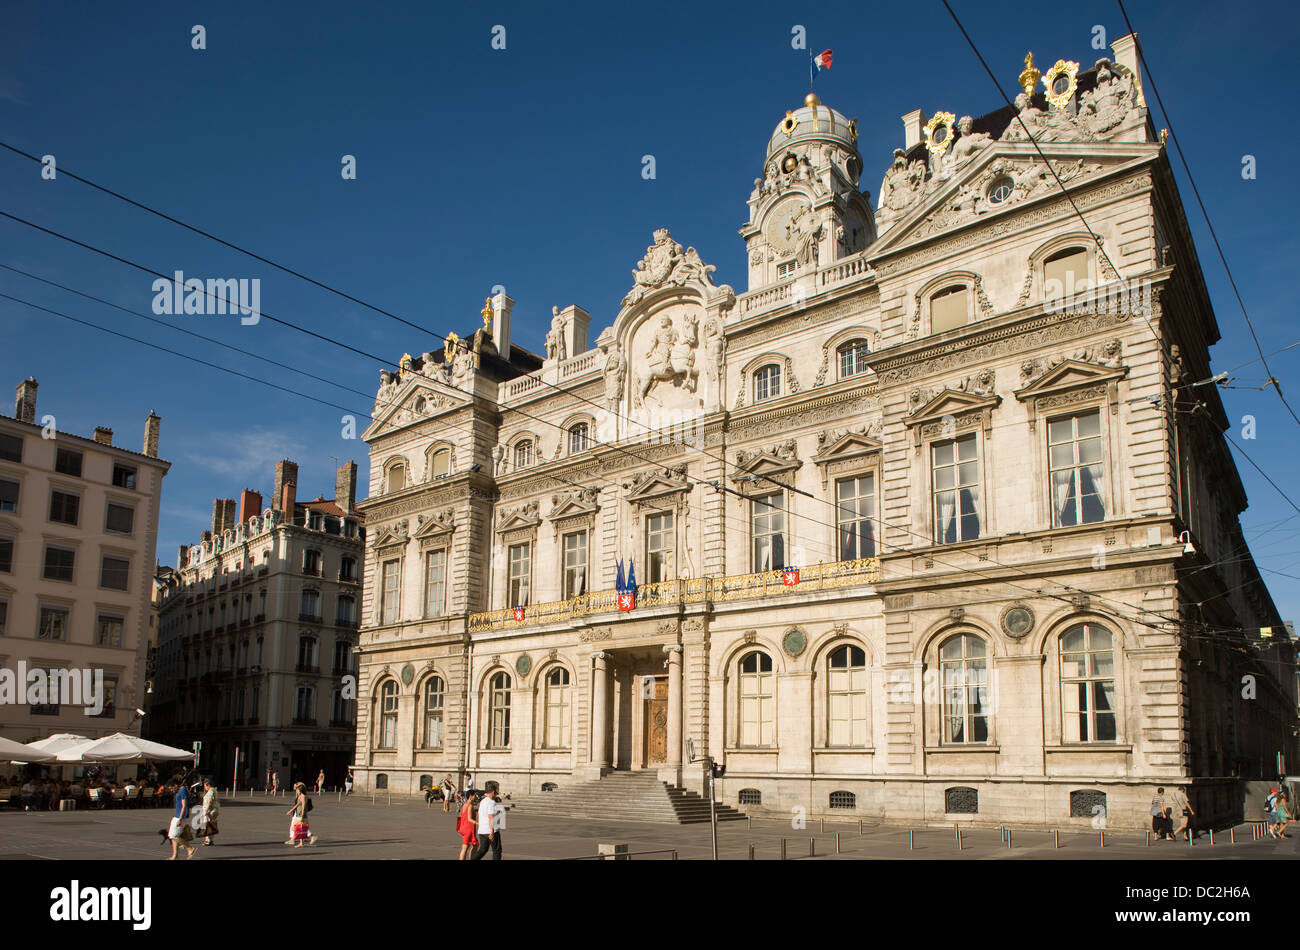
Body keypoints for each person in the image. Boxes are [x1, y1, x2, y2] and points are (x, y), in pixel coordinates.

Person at [469, 782, 503, 860]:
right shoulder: (492, 803)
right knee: (496, 850)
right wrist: (492, 831)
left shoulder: (482, 802)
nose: (495, 795)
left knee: (483, 850)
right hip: (490, 830)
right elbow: (491, 817)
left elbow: (479, 814)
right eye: (495, 793)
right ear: (493, 792)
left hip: (482, 830)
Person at [168, 779, 197, 860]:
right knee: (173, 835)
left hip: (181, 816)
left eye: (171, 788)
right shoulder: (181, 790)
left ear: (175, 785)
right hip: (177, 815)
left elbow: (184, 805)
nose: (171, 790)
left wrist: (180, 819)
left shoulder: (182, 791)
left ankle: (189, 848)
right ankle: (175, 855)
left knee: (173, 836)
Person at [285, 782, 316, 848]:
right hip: (299, 815)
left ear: (300, 790)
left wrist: (302, 816)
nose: (296, 791)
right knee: (300, 829)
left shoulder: (304, 797)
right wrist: (291, 810)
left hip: (301, 815)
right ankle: (301, 843)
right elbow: (297, 804)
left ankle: (312, 836)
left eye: (297, 790)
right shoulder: (300, 796)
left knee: (297, 828)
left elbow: (303, 807)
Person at [456, 792, 480, 860]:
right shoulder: (470, 806)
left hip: (463, 827)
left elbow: (461, 815)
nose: (476, 797)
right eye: (475, 795)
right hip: (468, 829)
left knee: (474, 845)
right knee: (465, 847)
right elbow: (469, 819)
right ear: (470, 796)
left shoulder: (465, 805)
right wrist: (478, 823)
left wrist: (475, 810)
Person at [199, 778, 220, 847]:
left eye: (205, 786)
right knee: (211, 825)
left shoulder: (211, 791)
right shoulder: (214, 790)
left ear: (208, 785)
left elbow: (209, 801)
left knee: (207, 825)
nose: (205, 788)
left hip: (210, 810)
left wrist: (206, 811)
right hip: (215, 810)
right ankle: (211, 840)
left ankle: (207, 841)